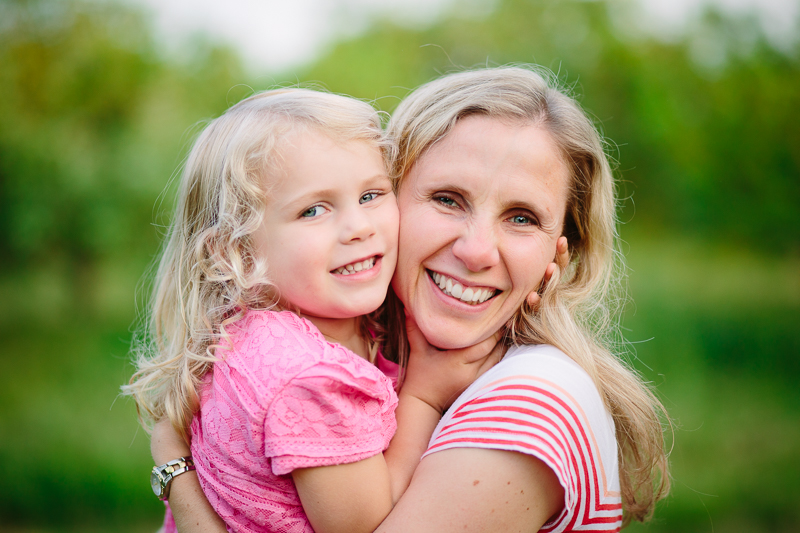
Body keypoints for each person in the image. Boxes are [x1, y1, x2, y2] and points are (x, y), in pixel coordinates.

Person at [150, 66, 670, 532]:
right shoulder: (329, 349)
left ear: (559, 252)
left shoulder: (528, 402)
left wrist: (177, 473)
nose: (476, 250)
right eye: (447, 199)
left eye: (522, 218)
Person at [123, 88, 506, 533]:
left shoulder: (281, 325)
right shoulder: (310, 378)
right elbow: (369, 525)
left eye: (371, 195)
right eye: (313, 210)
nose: (359, 228)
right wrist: (423, 394)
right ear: (237, 253)